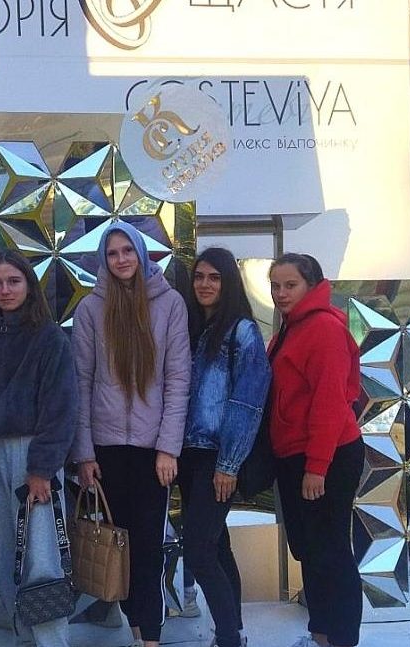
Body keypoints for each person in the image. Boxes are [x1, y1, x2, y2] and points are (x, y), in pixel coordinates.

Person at [71, 221, 191, 647]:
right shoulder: (90, 309)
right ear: (103, 260)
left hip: (151, 451)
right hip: (106, 451)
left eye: (127, 251)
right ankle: (136, 631)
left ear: (141, 254)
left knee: (148, 549)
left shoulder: (169, 303)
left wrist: (168, 448)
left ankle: (150, 638)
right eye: (112, 253)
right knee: (116, 548)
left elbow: (178, 379)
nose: (121, 259)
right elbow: (81, 383)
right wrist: (85, 454)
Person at [0, 250, 77, 646]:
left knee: (41, 555)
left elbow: (61, 408)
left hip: (34, 453)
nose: (5, 290)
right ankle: (24, 637)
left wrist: (42, 469)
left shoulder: (50, 338)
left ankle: (52, 642)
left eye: (13, 281)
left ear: (29, 284)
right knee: (3, 549)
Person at [267, 253, 365, 647]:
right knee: (311, 550)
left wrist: (317, 466)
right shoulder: (293, 326)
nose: (280, 293)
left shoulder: (322, 328)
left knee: (331, 552)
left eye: (290, 285)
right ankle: (322, 635)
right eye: (275, 285)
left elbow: (329, 402)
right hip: (299, 455)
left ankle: (341, 640)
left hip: (327, 456)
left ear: (311, 285)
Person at [180, 248, 270, 647]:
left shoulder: (242, 332)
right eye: (199, 276)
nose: (205, 284)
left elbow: (247, 403)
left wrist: (229, 464)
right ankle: (234, 632)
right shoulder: (195, 328)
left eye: (214, 277)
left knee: (199, 552)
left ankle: (230, 637)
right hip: (189, 454)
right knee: (216, 545)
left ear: (228, 282)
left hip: (218, 457)